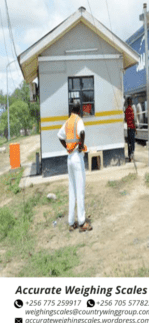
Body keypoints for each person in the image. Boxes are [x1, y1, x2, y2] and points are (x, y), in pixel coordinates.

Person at [57, 100, 92, 233]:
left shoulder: (67, 122)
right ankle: (82, 222)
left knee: (72, 190)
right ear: (79, 110)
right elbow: (82, 132)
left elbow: (59, 136)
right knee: (80, 189)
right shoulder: (78, 120)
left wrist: (66, 146)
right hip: (77, 157)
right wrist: (81, 145)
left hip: (69, 157)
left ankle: (72, 222)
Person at [125, 97, 136, 162]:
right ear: (130, 101)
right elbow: (133, 119)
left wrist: (128, 123)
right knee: (132, 143)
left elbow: (125, 119)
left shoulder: (126, 110)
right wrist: (135, 128)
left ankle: (129, 156)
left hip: (128, 128)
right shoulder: (131, 109)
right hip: (131, 128)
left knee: (129, 143)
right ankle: (131, 156)